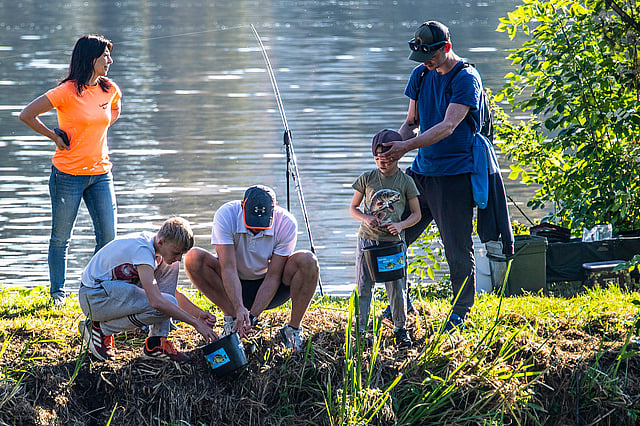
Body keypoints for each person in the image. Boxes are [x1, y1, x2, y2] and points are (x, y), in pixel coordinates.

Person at [380, 21, 485, 332]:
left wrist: (406, 146)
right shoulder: (421, 74)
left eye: (431, 55)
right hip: (420, 175)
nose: (425, 61)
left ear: (446, 48)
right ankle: (402, 301)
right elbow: (412, 122)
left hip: (454, 177)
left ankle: (461, 312)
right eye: (421, 55)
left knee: (456, 247)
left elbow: (448, 126)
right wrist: (391, 147)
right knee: (390, 236)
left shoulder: (466, 78)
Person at [19, 34, 122, 306]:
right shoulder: (65, 92)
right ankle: (57, 294)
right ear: (91, 59)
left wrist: (95, 131)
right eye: (105, 56)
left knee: (108, 237)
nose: (110, 61)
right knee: (61, 237)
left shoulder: (109, 89)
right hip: (67, 176)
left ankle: (95, 287)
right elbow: (27, 114)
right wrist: (54, 137)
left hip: (101, 174)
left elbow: (115, 109)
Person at [184, 185, 319, 352]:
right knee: (193, 258)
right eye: (252, 223)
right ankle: (232, 318)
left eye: (261, 225)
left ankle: (293, 329)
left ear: (274, 209)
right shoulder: (226, 214)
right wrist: (239, 307)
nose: (255, 229)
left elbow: (273, 276)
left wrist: (252, 317)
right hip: (230, 285)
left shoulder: (287, 223)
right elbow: (228, 268)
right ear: (242, 206)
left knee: (308, 260)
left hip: (270, 287)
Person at [77, 216, 218, 362]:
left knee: (170, 270)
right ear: (161, 242)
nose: (179, 258)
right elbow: (157, 301)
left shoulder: (158, 247)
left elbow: (168, 293)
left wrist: (198, 314)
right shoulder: (143, 250)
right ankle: (100, 329)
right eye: (177, 253)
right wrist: (196, 324)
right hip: (94, 298)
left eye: (182, 254)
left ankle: (156, 342)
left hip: (113, 293)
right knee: (162, 305)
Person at [349, 129, 421, 348]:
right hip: (368, 241)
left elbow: (417, 214)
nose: (383, 163)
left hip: (393, 245)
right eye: (378, 159)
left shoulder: (406, 181)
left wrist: (400, 225)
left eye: (388, 159)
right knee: (364, 286)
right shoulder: (367, 178)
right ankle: (360, 330)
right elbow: (353, 208)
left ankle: (400, 328)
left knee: (397, 287)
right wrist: (366, 218)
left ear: (397, 157)